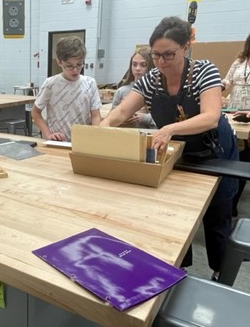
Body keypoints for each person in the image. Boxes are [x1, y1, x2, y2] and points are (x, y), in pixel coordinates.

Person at [101, 16, 239, 281]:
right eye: (156, 55)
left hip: (215, 153)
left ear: (186, 48)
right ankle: (179, 270)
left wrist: (169, 129)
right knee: (176, 215)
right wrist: (102, 129)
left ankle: (221, 274)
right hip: (179, 153)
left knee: (217, 217)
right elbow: (121, 111)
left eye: (168, 54)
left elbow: (210, 116)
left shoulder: (203, 71)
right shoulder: (152, 79)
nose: (161, 62)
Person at [31, 36, 102, 141]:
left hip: (82, 141)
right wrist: (48, 134)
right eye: (69, 66)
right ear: (59, 62)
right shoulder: (50, 84)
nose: (75, 70)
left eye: (79, 65)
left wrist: (95, 135)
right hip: (58, 141)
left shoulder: (90, 83)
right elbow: (35, 113)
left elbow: (95, 115)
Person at [222, 34, 250, 216]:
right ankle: (227, 199)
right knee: (231, 151)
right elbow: (227, 80)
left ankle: (232, 204)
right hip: (234, 110)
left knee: (245, 156)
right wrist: (219, 86)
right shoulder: (240, 61)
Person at [111, 47, 156, 129]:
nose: (137, 68)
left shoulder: (157, 92)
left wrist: (144, 118)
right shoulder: (121, 91)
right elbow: (111, 118)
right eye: (134, 64)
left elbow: (164, 120)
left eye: (143, 65)